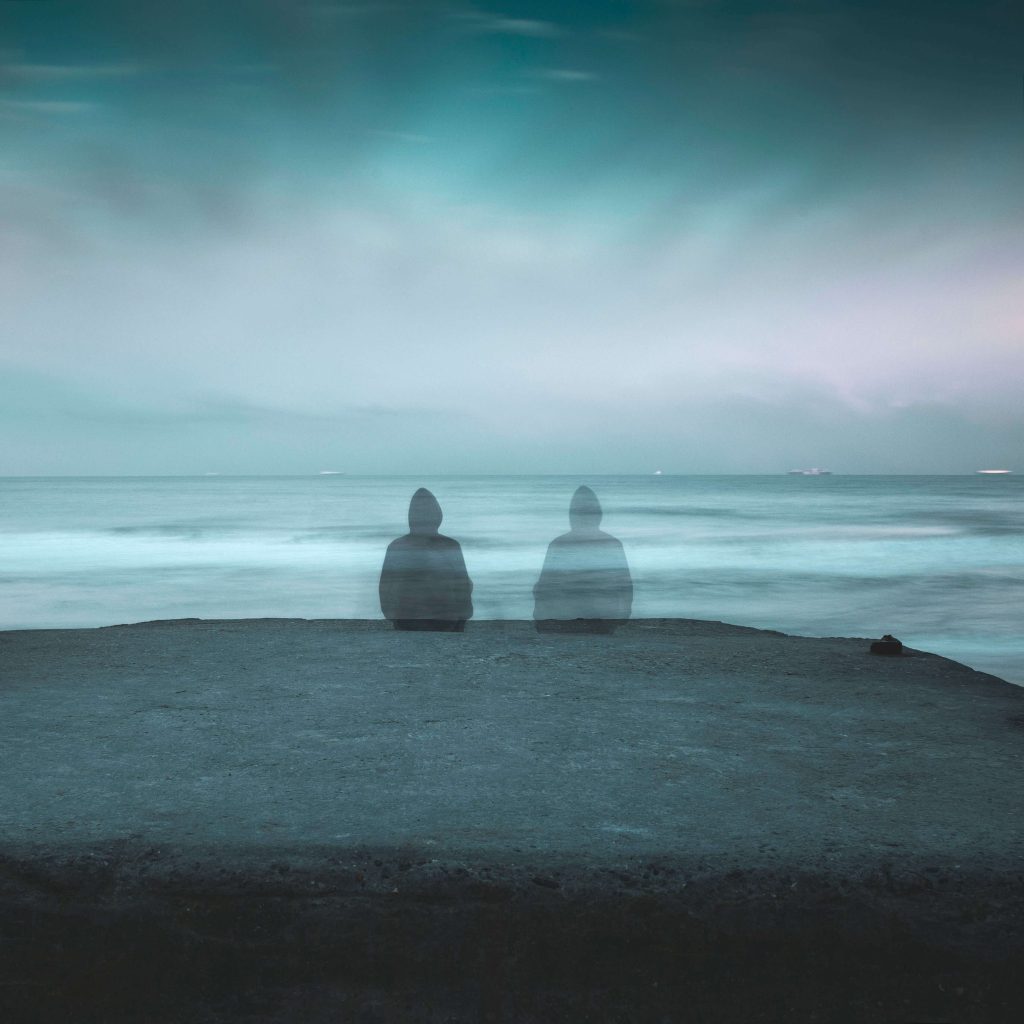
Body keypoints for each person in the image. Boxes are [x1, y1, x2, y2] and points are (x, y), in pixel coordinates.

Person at [533, 485, 633, 633]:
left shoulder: (559, 544)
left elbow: (542, 588)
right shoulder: (612, 543)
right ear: (599, 514)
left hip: (565, 617)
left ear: (571, 515)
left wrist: (539, 617)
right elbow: (626, 586)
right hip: (602, 618)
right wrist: (623, 615)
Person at [379, 488, 473, 631]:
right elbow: (464, 587)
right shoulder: (450, 545)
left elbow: (385, 589)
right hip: (446, 620)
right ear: (437, 514)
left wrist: (393, 615)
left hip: (407, 621)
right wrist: (462, 617)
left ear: (411, 516)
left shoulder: (397, 546)